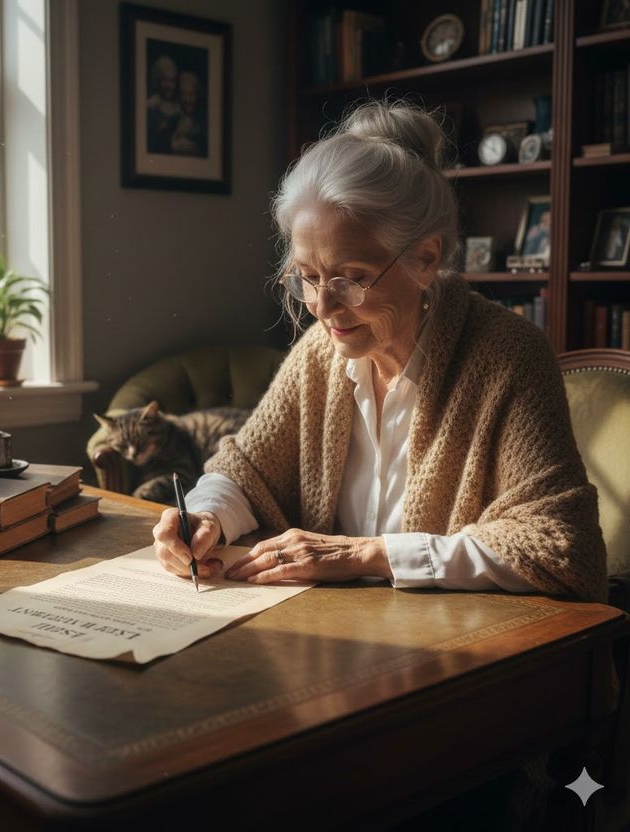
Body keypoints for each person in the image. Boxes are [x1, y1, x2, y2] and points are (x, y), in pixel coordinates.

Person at [152, 100, 606, 603]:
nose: (322, 307)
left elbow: (561, 548)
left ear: (425, 258)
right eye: (307, 276)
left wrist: (369, 555)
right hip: (336, 639)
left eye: (352, 279)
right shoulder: (320, 355)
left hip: (465, 655)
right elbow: (245, 471)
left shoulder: (509, 357)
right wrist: (206, 515)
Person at [146, 54, 180, 154]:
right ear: (157, 80)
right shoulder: (149, 106)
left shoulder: (180, 107)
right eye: (164, 80)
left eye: (172, 80)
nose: (169, 86)